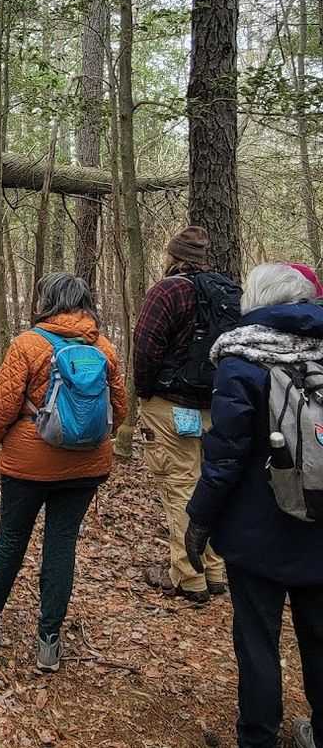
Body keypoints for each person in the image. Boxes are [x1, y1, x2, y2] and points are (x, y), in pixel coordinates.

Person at [0, 273, 126, 672]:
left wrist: (1, 440)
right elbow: (119, 409)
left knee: (12, 537)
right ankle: (49, 642)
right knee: (61, 544)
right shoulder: (104, 348)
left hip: (28, 464)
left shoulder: (28, 344)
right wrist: (95, 440)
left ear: (46, 302)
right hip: (86, 465)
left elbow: (0, 407)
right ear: (85, 304)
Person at [185, 262, 323, 748]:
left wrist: (199, 517)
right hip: (320, 528)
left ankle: (258, 738)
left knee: (258, 642)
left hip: (257, 530)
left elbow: (224, 455)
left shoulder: (242, 361)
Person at [133, 225, 238, 603]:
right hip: (215, 408)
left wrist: (145, 393)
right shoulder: (228, 291)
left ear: (173, 256)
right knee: (210, 485)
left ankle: (189, 578)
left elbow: (145, 348)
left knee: (180, 486)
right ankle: (214, 569)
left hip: (170, 406)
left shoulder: (168, 290)